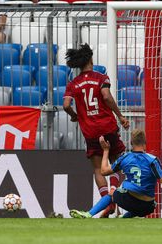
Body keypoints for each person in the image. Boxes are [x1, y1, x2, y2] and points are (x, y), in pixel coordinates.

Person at [63, 44, 130, 218]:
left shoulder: (73, 83)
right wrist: (120, 116)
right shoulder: (101, 77)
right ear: (91, 59)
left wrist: (75, 116)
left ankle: (106, 202)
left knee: (98, 169)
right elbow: (106, 96)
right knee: (117, 162)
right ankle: (113, 195)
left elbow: (65, 105)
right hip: (107, 126)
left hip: (90, 131)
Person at [70, 129, 162, 218]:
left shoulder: (125, 158)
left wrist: (106, 151)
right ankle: (123, 219)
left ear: (131, 143)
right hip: (147, 207)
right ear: (145, 143)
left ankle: (88, 214)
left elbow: (103, 171)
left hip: (127, 199)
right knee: (153, 204)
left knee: (113, 193)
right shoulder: (153, 160)